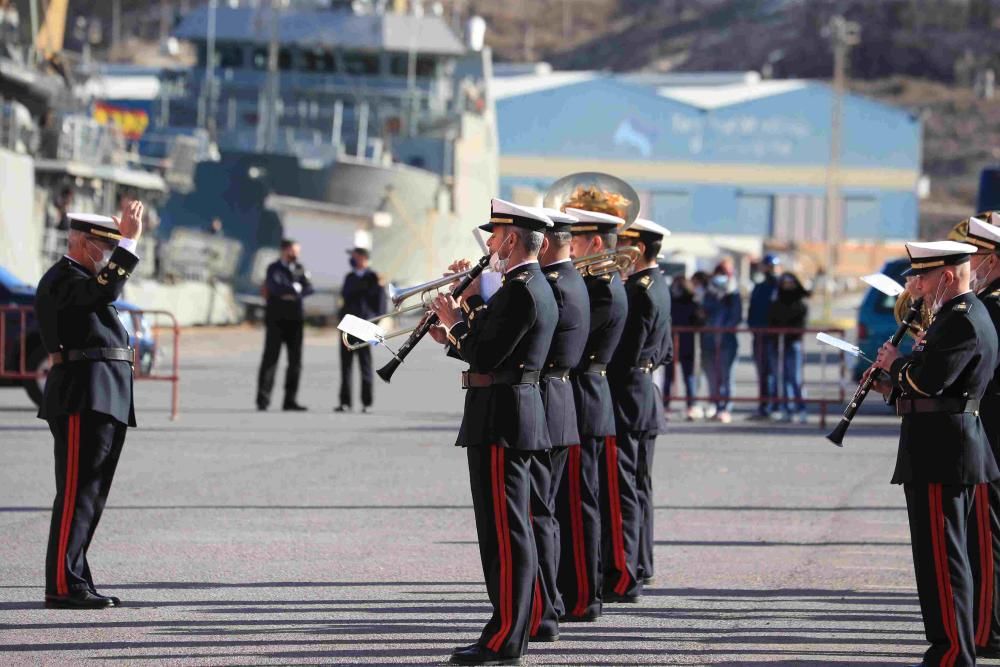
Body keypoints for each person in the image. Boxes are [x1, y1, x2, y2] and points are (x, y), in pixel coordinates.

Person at [428, 198, 557, 665]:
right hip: (506, 412)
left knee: (505, 534)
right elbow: (489, 344)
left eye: (495, 235)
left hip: (502, 416)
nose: (490, 244)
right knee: (509, 530)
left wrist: (456, 322)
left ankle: (504, 636)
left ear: (510, 238)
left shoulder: (523, 289)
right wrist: (455, 334)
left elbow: (488, 356)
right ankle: (508, 629)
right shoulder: (524, 286)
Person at [870, 240, 999, 666]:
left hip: (944, 448)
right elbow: (926, 385)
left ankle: (951, 652)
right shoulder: (951, 317)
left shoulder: (962, 319)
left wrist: (894, 364)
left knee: (944, 561)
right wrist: (892, 386)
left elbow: (930, 383)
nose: (914, 286)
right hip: (939, 444)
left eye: (921, 276)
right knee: (940, 559)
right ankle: (952, 646)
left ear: (946, 275)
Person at [35, 203, 145, 608]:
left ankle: (76, 576)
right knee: (76, 493)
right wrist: (130, 241)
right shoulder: (64, 278)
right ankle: (62, 585)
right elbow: (106, 288)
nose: (106, 253)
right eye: (103, 244)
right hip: (83, 394)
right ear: (81, 242)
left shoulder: (80, 278)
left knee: (92, 495)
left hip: (104, 395)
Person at [517, 207, 589, 642]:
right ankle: (550, 603)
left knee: (537, 513)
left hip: (545, 402)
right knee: (544, 512)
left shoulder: (555, 287)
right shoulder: (570, 281)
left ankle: (544, 610)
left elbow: (522, 344)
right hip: (558, 402)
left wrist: (469, 310)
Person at [555, 207, 628, 623]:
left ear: (595, 244)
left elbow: (573, 345)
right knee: (574, 503)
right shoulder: (596, 284)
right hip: (585, 399)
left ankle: (583, 596)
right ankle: (578, 591)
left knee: (580, 505)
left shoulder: (600, 288)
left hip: (583, 400)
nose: (569, 247)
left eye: (575, 240)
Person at [606, 218, 672, 599]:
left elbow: (622, 355)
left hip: (626, 398)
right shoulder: (657, 286)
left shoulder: (638, 291)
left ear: (639, 248)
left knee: (626, 489)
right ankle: (642, 563)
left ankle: (626, 572)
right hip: (644, 394)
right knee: (640, 487)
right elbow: (666, 350)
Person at [954, 215, 1000, 659]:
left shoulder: (994, 305)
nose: (974, 267)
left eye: (977, 257)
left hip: (993, 424)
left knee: (986, 533)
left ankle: (988, 629)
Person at [255, 239, 313, 412]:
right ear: (284, 251)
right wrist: (294, 289)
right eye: (293, 251)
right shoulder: (274, 268)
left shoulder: (300, 268)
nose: (296, 255)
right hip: (276, 319)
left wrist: (293, 291)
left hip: (295, 319)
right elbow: (275, 287)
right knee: (270, 359)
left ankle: (290, 400)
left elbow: (309, 288)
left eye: (297, 251)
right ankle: (263, 400)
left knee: (295, 362)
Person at [336, 247, 385, 413]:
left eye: (355, 257)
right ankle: (345, 402)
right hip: (348, 325)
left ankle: (366, 402)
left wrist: (373, 324)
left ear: (363, 258)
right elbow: (345, 296)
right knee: (345, 365)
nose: (352, 259)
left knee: (365, 364)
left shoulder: (373, 277)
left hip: (365, 324)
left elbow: (381, 305)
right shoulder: (349, 277)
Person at [768, 272, 810, 423]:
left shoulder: (800, 303)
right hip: (778, 344)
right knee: (782, 379)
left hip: (793, 344)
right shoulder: (776, 302)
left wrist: (789, 334)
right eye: (784, 282)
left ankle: (801, 409)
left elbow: (801, 324)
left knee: (795, 378)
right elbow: (771, 320)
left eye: (790, 282)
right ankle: (787, 409)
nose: (787, 285)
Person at [703, 262, 742, 423]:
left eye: (724, 273)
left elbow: (736, 316)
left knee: (727, 375)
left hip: (727, 340)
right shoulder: (708, 293)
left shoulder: (733, 293)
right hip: (709, 340)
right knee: (712, 375)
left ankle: (726, 407)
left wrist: (725, 329)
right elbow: (704, 311)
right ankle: (715, 404)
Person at [747, 254, 780, 420]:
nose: (769, 270)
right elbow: (752, 310)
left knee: (774, 373)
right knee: (762, 373)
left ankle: (775, 405)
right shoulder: (759, 287)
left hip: (774, 337)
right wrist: (753, 327)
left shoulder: (779, 287)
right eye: (767, 266)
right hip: (759, 336)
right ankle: (763, 405)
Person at [664, 276, 700, 420]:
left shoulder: (689, 302)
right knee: (676, 376)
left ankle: (688, 405)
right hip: (678, 343)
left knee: (685, 376)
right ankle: (686, 406)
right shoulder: (690, 302)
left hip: (683, 343)